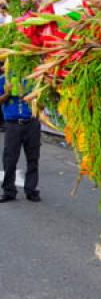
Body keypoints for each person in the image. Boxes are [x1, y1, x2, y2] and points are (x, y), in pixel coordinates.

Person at [0, 70, 41, 203]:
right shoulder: (4, 79)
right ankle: (9, 191)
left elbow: (43, 101)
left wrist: (34, 97)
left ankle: (31, 190)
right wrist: (8, 92)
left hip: (32, 122)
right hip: (12, 125)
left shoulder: (35, 77)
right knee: (9, 159)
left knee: (33, 158)